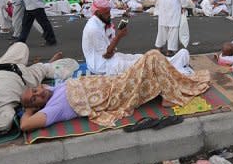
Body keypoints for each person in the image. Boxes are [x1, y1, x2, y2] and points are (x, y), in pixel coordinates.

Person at [19, 50, 211, 131]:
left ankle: (170, 90)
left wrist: (52, 62)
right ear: (37, 106)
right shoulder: (53, 108)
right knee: (152, 57)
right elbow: (25, 125)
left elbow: (44, 73)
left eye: (35, 91)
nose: (38, 94)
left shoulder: (52, 88)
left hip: (114, 82)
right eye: (34, 99)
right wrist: (29, 109)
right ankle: (171, 95)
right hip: (116, 94)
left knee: (152, 64)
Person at [82, 0, 193, 76]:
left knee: (139, 57)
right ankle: (174, 65)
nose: (110, 15)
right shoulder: (93, 29)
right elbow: (107, 54)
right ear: (97, 13)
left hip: (109, 59)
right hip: (102, 65)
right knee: (142, 64)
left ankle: (172, 62)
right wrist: (119, 37)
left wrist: (124, 20)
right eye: (107, 13)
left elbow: (109, 42)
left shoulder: (100, 21)